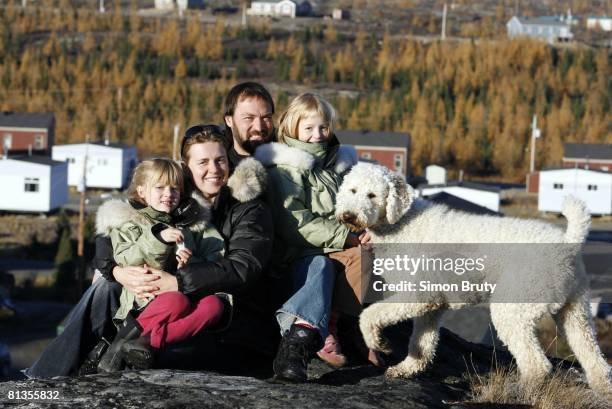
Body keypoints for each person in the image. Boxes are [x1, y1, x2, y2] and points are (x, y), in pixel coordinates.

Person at [26, 116, 275, 376]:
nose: (213, 169)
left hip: (207, 312)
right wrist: (115, 270)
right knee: (105, 287)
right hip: (154, 296)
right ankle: (46, 378)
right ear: (185, 168)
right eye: (203, 162)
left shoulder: (245, 208)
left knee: (176, 303)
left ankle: (114, 349)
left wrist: (179, 280)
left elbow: (242, 267)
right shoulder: (171, 195)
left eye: (220, 160)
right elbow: (120, 224)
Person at [254, 93, 370, 382]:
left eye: (323, 127)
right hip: (297, 252)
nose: (317, 135)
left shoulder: (335, 166)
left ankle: (342, 321)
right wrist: (345, 237)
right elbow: (294, 224)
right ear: (292, 128)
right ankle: (307, 340)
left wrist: (364, 229)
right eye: (308, 128)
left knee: (372, 256)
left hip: (333, 244)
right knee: (321, 266)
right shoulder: (286, 168)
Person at [94, 158, 226, 372]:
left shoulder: (192, 224)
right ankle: (121, 345)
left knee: (215, 306)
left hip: (187, 294)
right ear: (142, 191)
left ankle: (145, 343)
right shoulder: (130, 222)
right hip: (145, 301)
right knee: (176, 301)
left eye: (174, 188)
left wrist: (191, 263)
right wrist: (159, 240)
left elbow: (216, 257)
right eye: (160, 187)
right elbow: (127, 258)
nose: (169, 194)